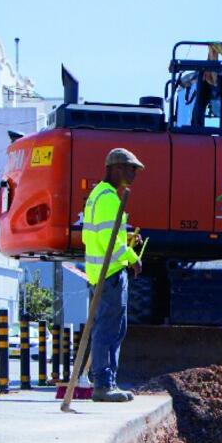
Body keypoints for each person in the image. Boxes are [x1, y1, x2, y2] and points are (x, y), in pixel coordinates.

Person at [81, 147, 144, 402]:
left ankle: (105, 380)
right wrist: (132, 257)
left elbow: (99, 236)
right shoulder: (108, 199)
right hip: (111, 273)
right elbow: (108, 239)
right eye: (131, 169)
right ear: (117, 168)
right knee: (109, 328)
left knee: (108, 326)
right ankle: (104, 383)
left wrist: (127, 240)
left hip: (100, 272)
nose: (134, 175)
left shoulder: (97, 195)